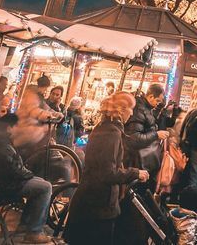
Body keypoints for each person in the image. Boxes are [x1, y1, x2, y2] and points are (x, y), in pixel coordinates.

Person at [63, 92, 149, 244]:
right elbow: (108, 173)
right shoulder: (111, 133)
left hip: (93, 202)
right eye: (131, 109)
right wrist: (136, 173)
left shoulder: (107, 128)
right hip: (97, 206)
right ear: (122, 110)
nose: (132, 113)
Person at [0, 113, 54, 244]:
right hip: (6, 185)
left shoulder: (0, 139)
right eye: (17, 126)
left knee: (41, 183)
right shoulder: (0, 144)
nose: (19, 129)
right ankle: (34, 231)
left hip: (6, 181)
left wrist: (27, 174)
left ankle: (25, 225)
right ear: (9, 127)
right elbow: (11, 169)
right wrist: (28, 175)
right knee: (45, 187)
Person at [124, 83, 169, 179]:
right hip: (135, 161)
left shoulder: (147, 108)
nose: (158, 104)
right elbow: (134, 138)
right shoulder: (139, 110)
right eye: (157, 100)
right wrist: (156, 135)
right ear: (151, 96)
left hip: (141, 161)